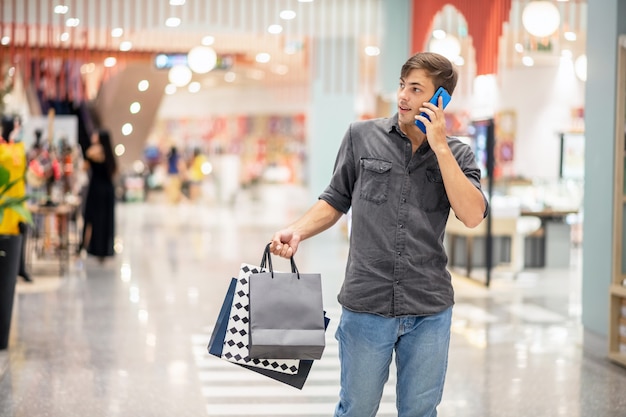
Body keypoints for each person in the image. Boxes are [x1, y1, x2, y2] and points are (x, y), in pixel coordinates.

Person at [269, 52, 488, 417]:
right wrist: (297, 230)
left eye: (416, 89)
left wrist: (440, 146)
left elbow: (472, 214)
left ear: (440, 100)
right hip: (367, 303)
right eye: (402, 86)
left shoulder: (458, 154)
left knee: (420, 412)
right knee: (357, 409)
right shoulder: (361, 137)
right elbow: (335, 198)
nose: (403, 96)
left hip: (429, 307)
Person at [80, 129, 117, 263]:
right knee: (106, 220)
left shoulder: (93, 151)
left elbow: (84, 167)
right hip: (107, 191)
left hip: (96, 190)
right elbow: (114, 172)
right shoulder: (110, 154)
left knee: (91, 218)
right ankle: (105, 248)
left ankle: (91, 247)